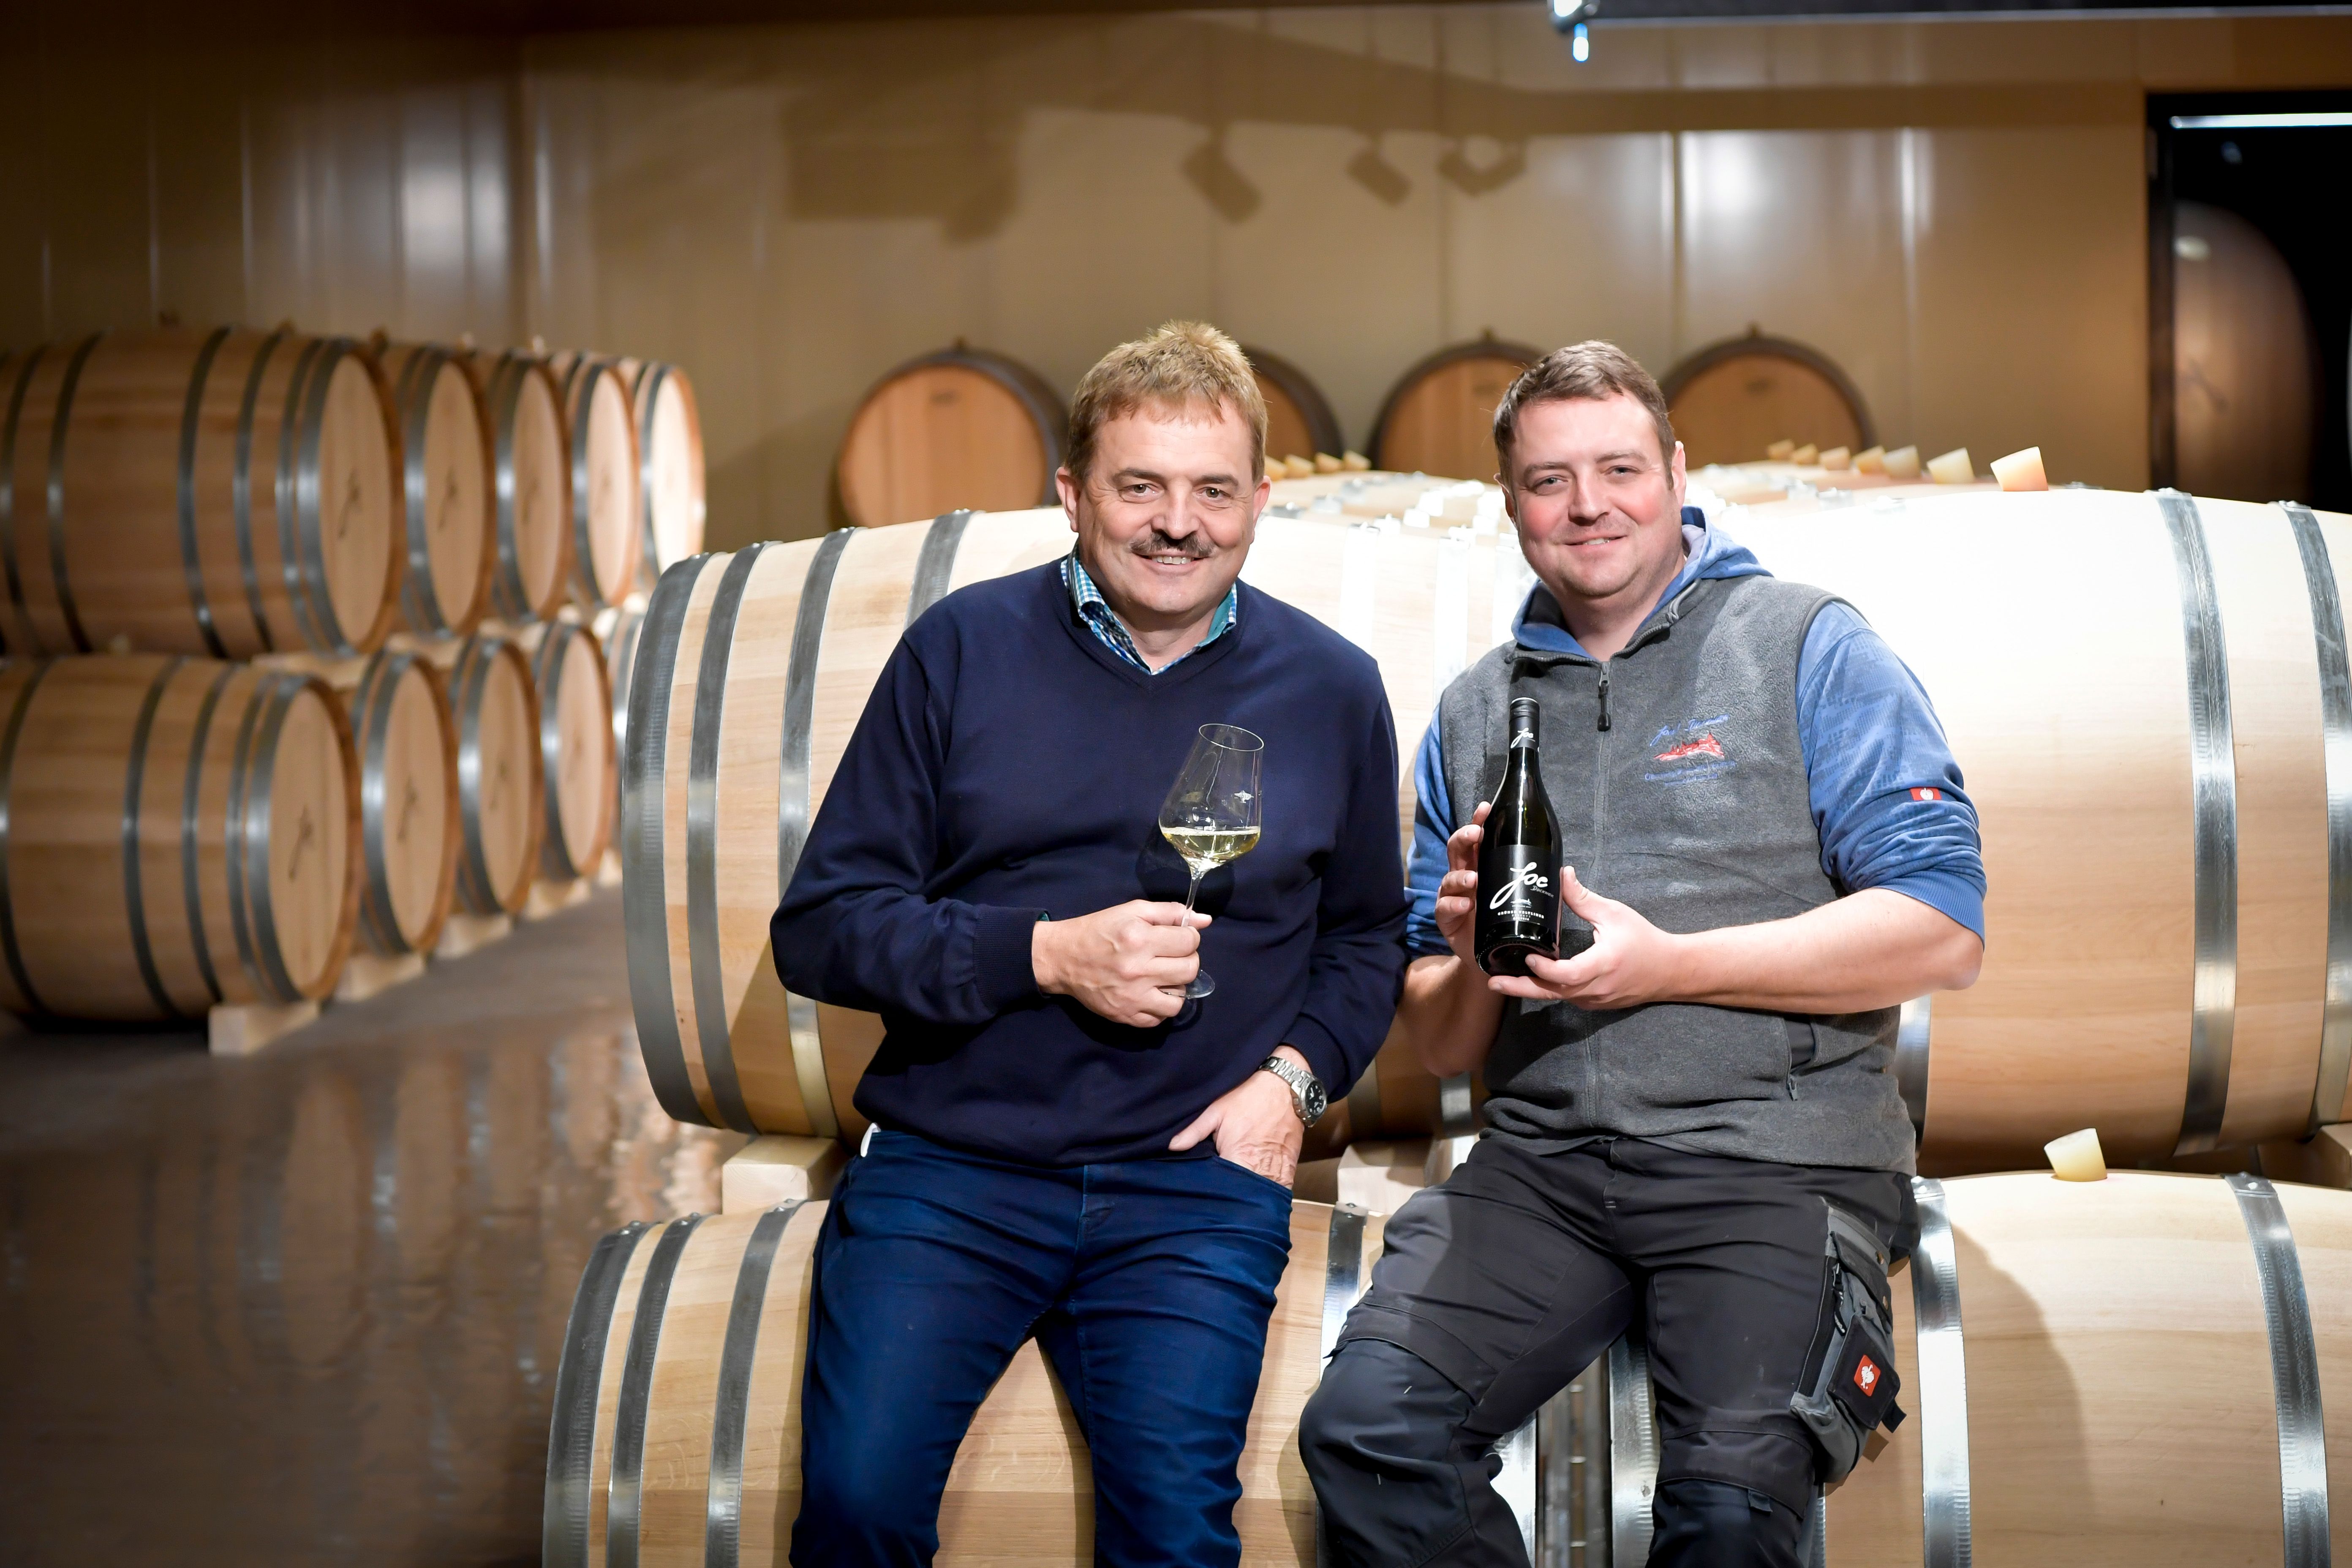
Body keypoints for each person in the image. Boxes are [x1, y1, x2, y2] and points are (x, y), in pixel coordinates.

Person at [1298, 341, 1987, 1568]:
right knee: (1369, 1431)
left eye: (1619, 469)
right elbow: (1445, 1043)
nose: (1588, 505)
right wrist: (1466, 956)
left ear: (1676, 471)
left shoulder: (1807, 643)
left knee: (1729, 1513)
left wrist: (1667, 966)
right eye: (1549, 480)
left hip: (1776, 1165)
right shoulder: (1476, 708)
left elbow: (1943, 928)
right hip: (1545, 1169)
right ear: (1511, 502)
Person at [770, 321, 1407, 1567]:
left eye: (1213, 491)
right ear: (1073, 495)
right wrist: (1045, 957)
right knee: (855, 1506)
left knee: (1175, 1538)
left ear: (1261, 502)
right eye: (1139, 487)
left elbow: (1366, 937)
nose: (1178, 523)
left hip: (1193, 1183)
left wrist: (1291, 1085)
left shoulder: (1331, 686)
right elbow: (824, 929)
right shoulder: (961, 650)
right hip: (958, 1169)